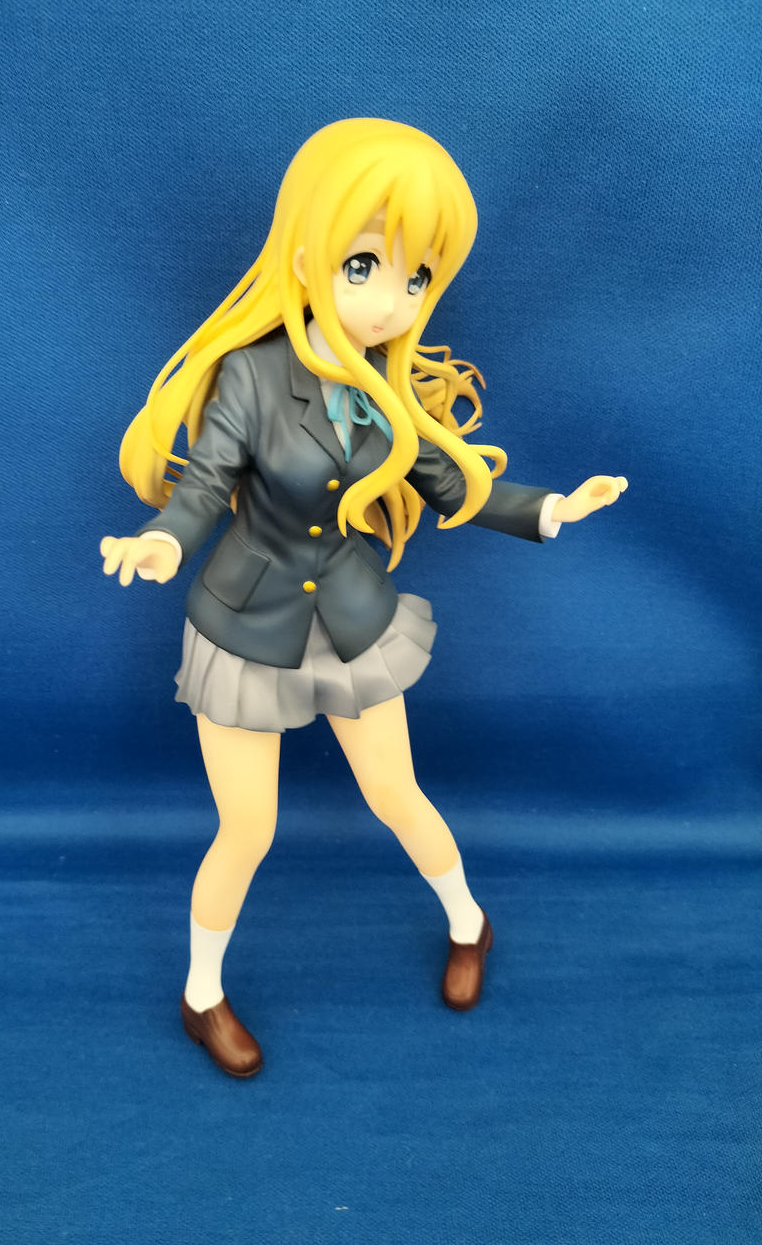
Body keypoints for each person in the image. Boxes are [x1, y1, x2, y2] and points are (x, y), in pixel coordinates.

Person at [101, 118, 626, 1078]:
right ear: (308, 257)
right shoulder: (251, 377)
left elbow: (454, 484)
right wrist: (162, 542)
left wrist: (553, 508)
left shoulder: (389, 390)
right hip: (246, 625)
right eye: (364, 266)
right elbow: (204, 486)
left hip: (349, 618)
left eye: (416, 278)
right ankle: (201, 995)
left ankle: (469, 923)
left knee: (395, 792)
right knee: (247, 829)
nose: (390, 301)